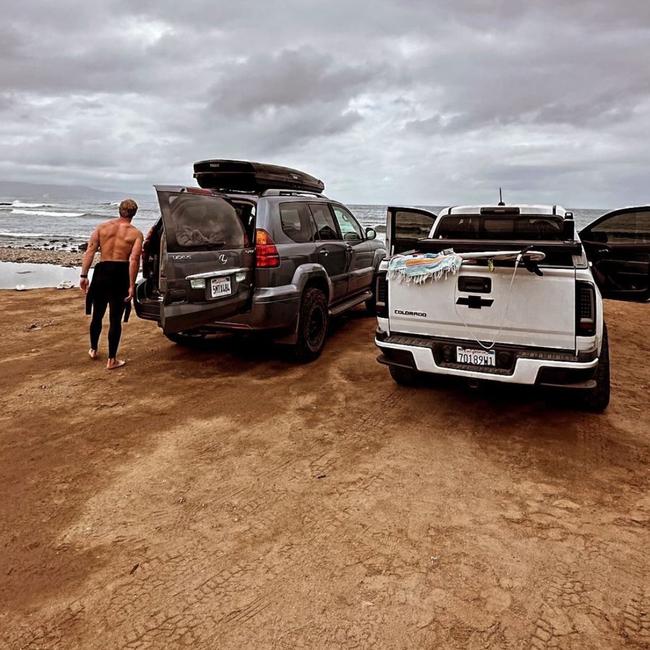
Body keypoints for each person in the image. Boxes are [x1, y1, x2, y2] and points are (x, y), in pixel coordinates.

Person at [80, 199, 144, 369]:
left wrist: (84, 275)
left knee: (97, 315)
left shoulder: (102, 228)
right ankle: (112, 360)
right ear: (134, 214)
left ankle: (93, 349)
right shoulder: (135, 234)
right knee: (115, 319)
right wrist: (131, 284)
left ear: (119, 211)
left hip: (102, 272)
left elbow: (90, 251)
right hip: (120, 274)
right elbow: (134, 260)